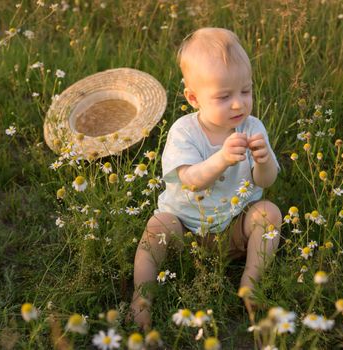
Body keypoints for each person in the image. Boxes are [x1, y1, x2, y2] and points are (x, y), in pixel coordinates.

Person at [129, 27, 281, 331]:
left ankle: (251, 282)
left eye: (246, 91)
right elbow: (191, 179)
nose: (238, 103)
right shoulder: (184, 132)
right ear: (193, 97)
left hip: (234, 226)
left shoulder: (252, 128)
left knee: (270, 214)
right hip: (186, 229)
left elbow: (266, 181)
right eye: (224, 96)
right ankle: (141, 297)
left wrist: (263, 162)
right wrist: (222, 158)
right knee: (158, 226)